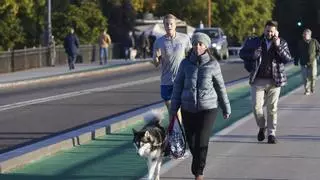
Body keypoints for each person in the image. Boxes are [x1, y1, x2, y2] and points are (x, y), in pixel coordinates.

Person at [170, 32, 231, 180]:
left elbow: (220, 87)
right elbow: (178, 86)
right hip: (187, 108)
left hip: (208, 108)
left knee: (202, 140)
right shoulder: (185, 64)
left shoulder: (213, 64)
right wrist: (173, 109)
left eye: (201, 44)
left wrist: (225, 107)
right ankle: (197, 165)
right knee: (191, 141)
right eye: (195, 43)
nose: (197, 46)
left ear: (206, 47)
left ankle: (199, 173)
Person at [239, 20, 293, 144]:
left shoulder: (282, 42)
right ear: (264, 30)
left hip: (275, 81)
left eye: (271, 31)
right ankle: (262, 127)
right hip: (257, 80)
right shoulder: (255, 41)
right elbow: (242, 53)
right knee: (256, 107)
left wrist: (278, 45)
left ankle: (271, 134)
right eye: (267, 30)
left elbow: (287, 59)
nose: (269, 33)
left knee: (272, 108)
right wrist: (254, 53)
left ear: (276, 32)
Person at [152, 14, 192, 118]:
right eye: (166, 24)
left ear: (175, 25)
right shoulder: (159, 42)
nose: (169, 26)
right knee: (171, 110)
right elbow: (156, 63)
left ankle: (176, 132)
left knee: (177, 110)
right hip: (166, 81)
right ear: (163, 26)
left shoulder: (184, 38)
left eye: (171, 24)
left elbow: (190, 56)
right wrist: (156, 58)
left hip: (181, 80)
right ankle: (175, 131)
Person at [295, 28, 320, 95]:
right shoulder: (300, 42)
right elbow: (297, 52)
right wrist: (296, 60)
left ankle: (312, 87)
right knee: (305, 77)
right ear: (303, 35)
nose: (306, 35)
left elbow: (318, 50)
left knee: (313, 76)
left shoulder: (314, 41)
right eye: (305, 34)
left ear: (310, 35)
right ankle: (307, 90)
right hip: (303, 62)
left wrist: (317, 56)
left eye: (307, 34)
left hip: (312, 61)